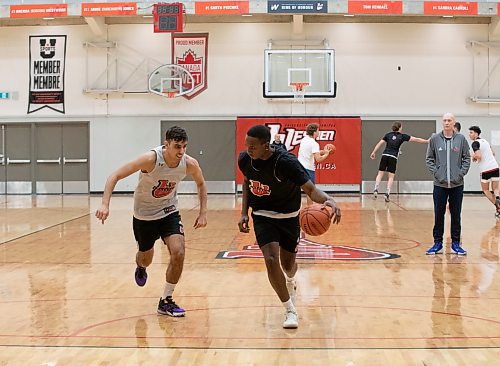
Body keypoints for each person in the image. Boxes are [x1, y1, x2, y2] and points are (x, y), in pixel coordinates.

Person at [95, 126, 207, 316]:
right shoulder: (150, 159)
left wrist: (203, 212)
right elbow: (114, 176)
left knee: (178, 252)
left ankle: (166, 299)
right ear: (167, 144)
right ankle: (140, 266)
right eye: (177, 146)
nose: (181, 151)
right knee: (146, 258)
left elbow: (201, 183)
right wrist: (105, 204)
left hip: (169, 211)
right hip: (144, 215)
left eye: (184, 147)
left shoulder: (189, 163)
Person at [238, 124, 341, 329]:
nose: (248, 150)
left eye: (253, 146)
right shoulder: (245, 159)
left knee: (288, 265)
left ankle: (291, 280)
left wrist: (329, 200)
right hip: (262, 215)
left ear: (266, 146)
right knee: (269, 258)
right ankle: (290, 309)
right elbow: (247, 183)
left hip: (289, 216)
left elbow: (311, 190)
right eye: (247, 145)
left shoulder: (287, 163)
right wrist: (244, 213)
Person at [426, 113, 470, 255]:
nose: (446, 123)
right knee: (439, 214)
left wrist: (460, 174)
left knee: (456, 215)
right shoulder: (434, 139)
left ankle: (456, 244)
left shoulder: (461, 139)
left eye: (449, 120)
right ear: (442, 122)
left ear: (454, 123)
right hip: (440, 185)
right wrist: (438, 174)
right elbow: (429, 159)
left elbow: (466, 158)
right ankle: (437, 243)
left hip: (457, 185)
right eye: (444, 120)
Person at [370, 121, 429, 202]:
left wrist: (373, 152)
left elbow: (379, 143)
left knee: (380, 173)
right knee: (391, 176)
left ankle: (376, 189)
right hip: (393, 157)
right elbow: (416, 139)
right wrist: (427, 141)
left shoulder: (388, 135)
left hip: (385, 155)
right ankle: (387, 193)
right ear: (400, 128)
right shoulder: (402, 136)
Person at [468, 125, 500, 217]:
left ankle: (498, 206)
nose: (469, 134)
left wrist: (473, 156)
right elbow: (493, 153)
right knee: (496, 189)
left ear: (476, 133)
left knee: (485, 190)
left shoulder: (475, 143)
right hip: (495, 167)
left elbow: (478, 156)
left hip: (485, 169)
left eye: (471, 132)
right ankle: (498, 197)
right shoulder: (485, 141)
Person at [297, 123, 331, 205]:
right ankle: (310, 209)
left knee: (296, 190)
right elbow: (318, 159)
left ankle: (295, 210)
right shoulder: (314, 143)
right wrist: (326, 154)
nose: (319, 132)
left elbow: (312, 152)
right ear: (314, 132)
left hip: (299, 167)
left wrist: (323, 151)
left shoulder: (304, 140)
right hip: (308, 169)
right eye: (318, 130)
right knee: (310, 191)